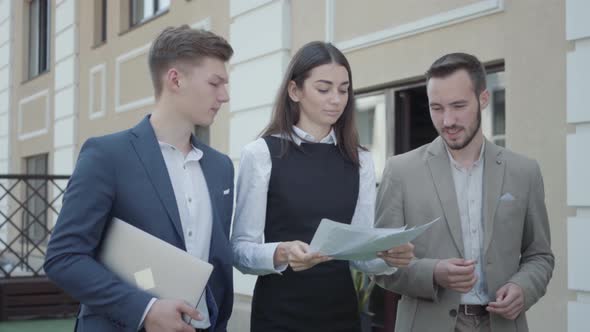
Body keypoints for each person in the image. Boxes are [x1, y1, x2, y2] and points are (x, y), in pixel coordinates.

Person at [44, 25, 235, 332]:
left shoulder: (221, 167)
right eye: (215, 83)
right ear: (175, 79)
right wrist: (145, 310)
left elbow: (217, 265)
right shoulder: (106, 155)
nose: (224, 96)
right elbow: (64, 257)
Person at [231, 41, 415, 332]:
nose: (336, 99)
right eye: (324, 88)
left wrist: (387, 257)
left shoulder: (361, 161)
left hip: (341, 315)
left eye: (344, 90)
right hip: (278, 317)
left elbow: (361, 257)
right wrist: (281, 252)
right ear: (295, 91)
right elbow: (240, 251)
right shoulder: (260, 154)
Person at [373, 52, 554, 332]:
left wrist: (523, 287)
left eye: (458, 106)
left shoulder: (525, 172)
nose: (447, 121)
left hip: (503, 325)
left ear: (483, 99)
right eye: (436, 108)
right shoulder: (400, 171)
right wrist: (433, 273)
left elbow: (539, 255)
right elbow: (382, 263)